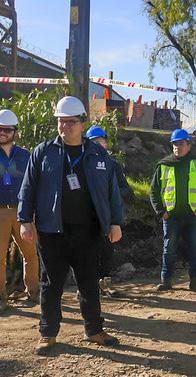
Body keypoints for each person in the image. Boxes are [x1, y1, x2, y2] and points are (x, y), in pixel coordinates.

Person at [18, 96, 124, 355]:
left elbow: (112, 192)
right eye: (60, 121)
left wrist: (115, 222)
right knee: (51, 284)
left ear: (82, 123)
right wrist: (25, 220)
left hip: (88, 231)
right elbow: (28, 187)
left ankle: (94, 330)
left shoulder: (98, 153)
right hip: (52, 231)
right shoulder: (43, 152)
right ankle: (48, 333)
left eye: (70, 122)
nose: (64, 126)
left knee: (89, 282)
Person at [150, 128, 196, 292]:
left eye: (181, 144)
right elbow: (154, 191)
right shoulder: (164, 165)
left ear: (189, 145)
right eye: (175, 144)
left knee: (195, 250)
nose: (178, 147)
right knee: (168, 249)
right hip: (171, 217)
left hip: (193, 217)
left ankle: (195, 282)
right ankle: (166, 281)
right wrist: (161, 211)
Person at [85, 125, 134, 297]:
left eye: (101, 141)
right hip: (87, 218)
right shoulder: (81, 163)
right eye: (94, 142)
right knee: (87, 253)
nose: (98, 145)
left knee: (106, 252)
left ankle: (104, 285)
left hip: (107, 217)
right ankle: (86, 287)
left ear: (106, 143)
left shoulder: (112, 165)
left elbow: (125, 189)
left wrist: (110, 195)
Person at [0, 109, 39, 311]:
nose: (2, 133)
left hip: (22, 211)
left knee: (30, 254)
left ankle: (33, 293)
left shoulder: (25, 155)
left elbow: (34, 184)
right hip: (0, 211)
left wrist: (32, 212)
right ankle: (1, 298)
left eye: (7, 130)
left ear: (15, 131)